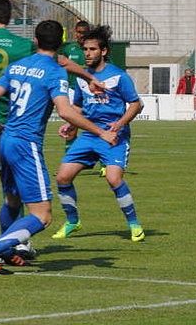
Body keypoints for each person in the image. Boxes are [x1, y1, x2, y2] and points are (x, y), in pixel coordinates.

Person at [0, 0, 104, 257]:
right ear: (10, 18)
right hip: (9, 127)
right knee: (13, 194)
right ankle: (13, 243)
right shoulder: (24, 47)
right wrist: (89, 77)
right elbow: (59, 62)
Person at [0, 20, 117, 275]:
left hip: (6, 140)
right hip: (26, 144)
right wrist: (100, 131)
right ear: (61, 44)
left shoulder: (16, 66)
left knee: (12, 202)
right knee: (43, 216)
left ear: (36, 41)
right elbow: (65, 111)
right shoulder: (53, 72)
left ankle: (6, 252)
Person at [51, 25, 145, 243]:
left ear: (103, 51)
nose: (87, 53)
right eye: (85, 49)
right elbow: (78, 108)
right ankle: (73, 221)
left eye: (92, 49)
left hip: (114, 136)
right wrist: (71, 126)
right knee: (63, 177)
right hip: (90, 135)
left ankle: (134, 224)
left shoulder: (118, 76)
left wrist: (119, 124)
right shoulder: (82, 78)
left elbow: (135, 105)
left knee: (113, 178)